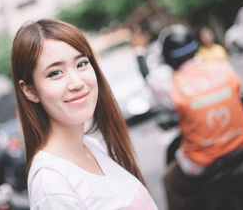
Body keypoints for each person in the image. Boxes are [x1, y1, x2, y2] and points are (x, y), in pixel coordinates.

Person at [11, 19, 158, 209]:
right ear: (30, 90)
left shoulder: (93, 146)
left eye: (81, 64)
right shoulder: (52, 186)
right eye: (55, 73)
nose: (77, 83)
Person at [132, 24, 243, 210]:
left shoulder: (170, 85)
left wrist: (139, 52)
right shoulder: (224, 67)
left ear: (167, 58)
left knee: (170, 181)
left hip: (204, 161)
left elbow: (147, 77)